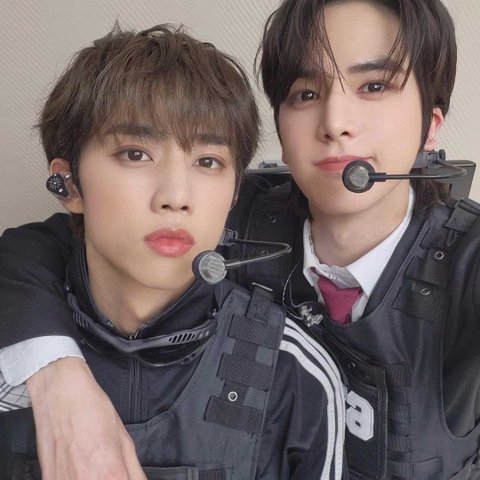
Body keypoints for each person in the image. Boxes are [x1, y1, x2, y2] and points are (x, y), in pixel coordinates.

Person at [0, 0, 478, 478]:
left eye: (373, 86)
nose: (335, 122)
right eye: (306, 93)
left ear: (431, 124)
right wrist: (57, 374)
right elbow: (45, 247)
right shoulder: (225, 207)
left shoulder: (466, 258)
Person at [0, 23, 346, 480]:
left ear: (234, 193)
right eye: (135, 154)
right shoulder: (15, 329)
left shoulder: (296, 374)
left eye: (207, 161)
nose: (176, 197)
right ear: (68, 184)